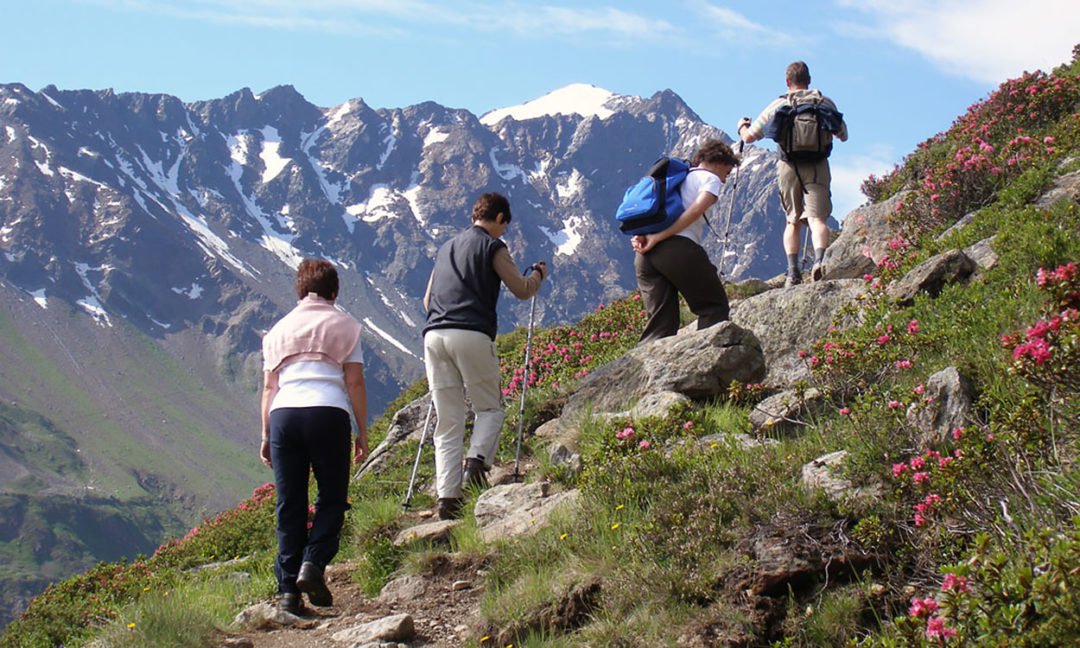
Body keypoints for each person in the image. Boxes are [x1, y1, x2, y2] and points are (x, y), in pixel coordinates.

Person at [423, 192, 547, 520]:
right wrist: (538, 275)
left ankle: (447, 498)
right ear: (500, 219)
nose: (504, 231)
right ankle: (476, 464)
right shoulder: (493, 246)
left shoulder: (445, 248)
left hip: (434, 334)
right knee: (489, 408)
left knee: (447, 421)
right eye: (505, 225)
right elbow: (521, 289)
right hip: (472, 333)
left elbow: (427, 301)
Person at [260, 259, 369, 615]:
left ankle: (288, 594)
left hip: (283, 415)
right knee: (332, 498)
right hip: (328, 412)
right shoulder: (346, 326)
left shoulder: (277, 331)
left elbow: (269, 387)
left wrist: (265, 434)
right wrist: (363, 431)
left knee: (289, 504)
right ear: (334, 292)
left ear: (299, 290)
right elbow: (354, 381)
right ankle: (313, 563)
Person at [738, 60, 848, 287]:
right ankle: (819, 262)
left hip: (788, 166)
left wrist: (741, 127)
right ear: (809, 80)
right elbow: (843, 134)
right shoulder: (825, 102)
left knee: (792, 221)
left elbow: (749, 137)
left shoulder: (779, 104)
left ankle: (792, 272)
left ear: (787, 81)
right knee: (817, 219)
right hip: (818, 165)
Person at [631, 139, 740, 343]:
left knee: (660, 325)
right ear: (720, 162)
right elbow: (696, 209)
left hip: (644, 256)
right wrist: (660, 238)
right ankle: (708, 366)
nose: (725, 180)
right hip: (678, 249)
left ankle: (641, 374)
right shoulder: (710, 178)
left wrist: (648, 237)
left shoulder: (677, 178)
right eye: (727, 172)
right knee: (713, 307)